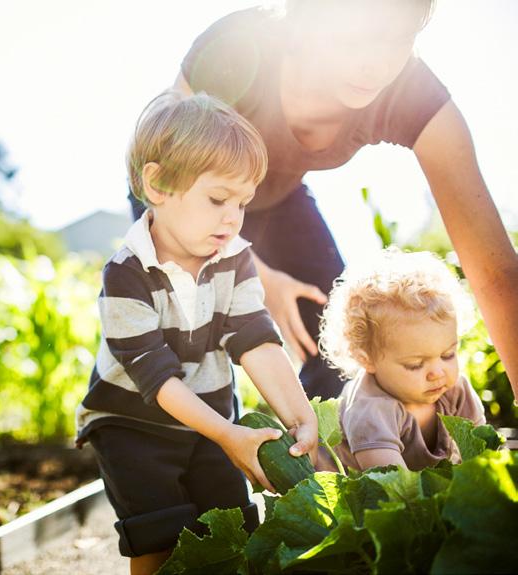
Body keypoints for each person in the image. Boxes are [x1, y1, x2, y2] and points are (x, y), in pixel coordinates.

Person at [129, 0, 518, 401]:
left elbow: (495, 274)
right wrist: (254, 274)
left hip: (278, 201)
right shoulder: (238, 49)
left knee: (338, 336)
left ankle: (331, 453)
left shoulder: (414, 94)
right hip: (176, 199)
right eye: (354, 37)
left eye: (400, 39)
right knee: (187, 339)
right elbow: (166, 179)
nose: (376, 65)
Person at [76, 91, 318, 575]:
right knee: (158, 537)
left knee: (230, 529)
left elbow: (255, 339)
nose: (233, 217)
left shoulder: (235, 260)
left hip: (209, 416)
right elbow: (156, 377)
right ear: (159, 183)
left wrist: (300, 414)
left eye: (243, 203)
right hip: (133, 425)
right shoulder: (124, 274)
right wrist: (228, 435)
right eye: (217, 199)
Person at [318, 248, 486, 471]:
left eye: (448, 355)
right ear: (367, 360)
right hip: (372, 494)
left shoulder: (455, 391)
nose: (438, 372)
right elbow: (392, 487)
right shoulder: (370, 409)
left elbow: (485, 453)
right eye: (415, 365)